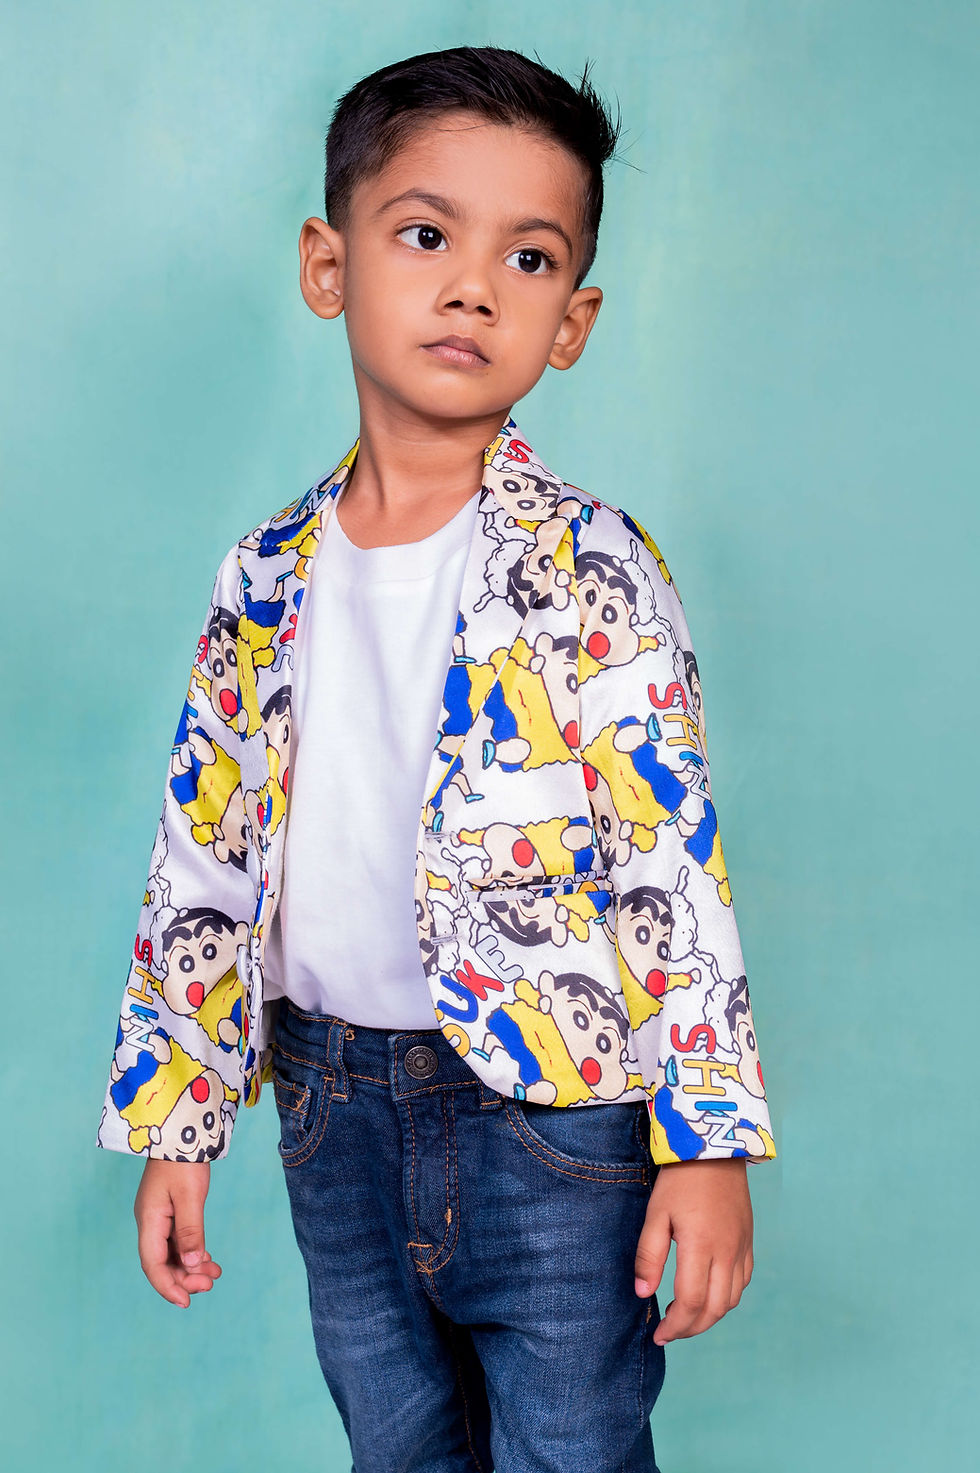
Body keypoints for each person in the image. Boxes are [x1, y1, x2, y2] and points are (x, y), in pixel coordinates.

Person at [95, 44, 776, 1473]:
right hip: (332, 1110)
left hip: (556, 1123)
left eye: (528, 259)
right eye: (425, 235)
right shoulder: (263, 575)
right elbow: (205, 857)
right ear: (327, 265)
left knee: (571, 1449)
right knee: (398, 1448)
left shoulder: (593, 566)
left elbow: (670, 858)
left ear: (571, 323)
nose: (474, 287)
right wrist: (178, 1118)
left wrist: (707, 1139)